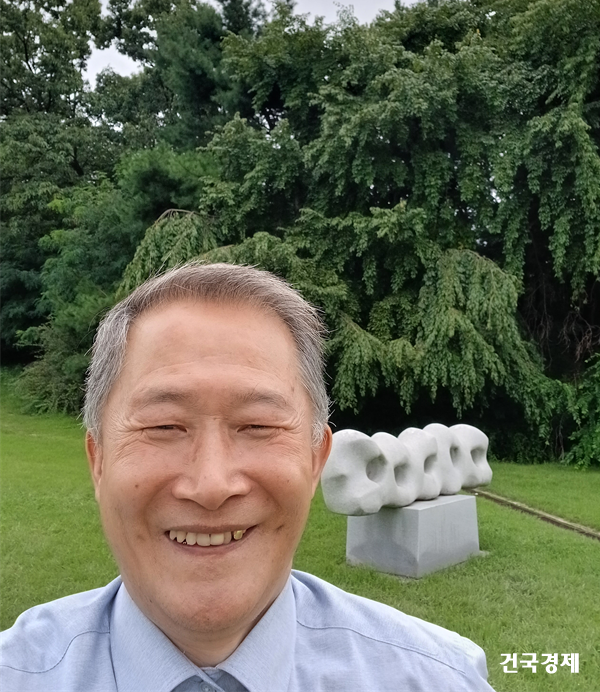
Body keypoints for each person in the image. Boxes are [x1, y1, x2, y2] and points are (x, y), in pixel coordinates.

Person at [0, 263, 495, 692]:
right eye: (164, 427)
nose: (212, 485)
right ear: (99, 461)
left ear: (316, 459)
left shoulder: (439, 679)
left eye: (258, 426)